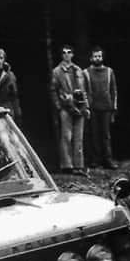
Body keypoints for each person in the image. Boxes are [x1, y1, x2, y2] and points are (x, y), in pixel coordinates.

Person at [50, 45, 90, 176]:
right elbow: (53, 90)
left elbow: (84, 90)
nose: (66, 54)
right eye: (64, 53)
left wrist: (86, 107)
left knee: (78, 137)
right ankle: (67, 166)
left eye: (69, 52)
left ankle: (79, 165)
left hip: (80, 105)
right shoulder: (57, 71)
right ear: (61, 55)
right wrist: (58, 106)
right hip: (65, 106)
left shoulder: (78, 70)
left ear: (72, 54)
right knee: (66, 136)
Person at [84, 47, 119, 169]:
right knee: (94, 135)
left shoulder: (109, 71)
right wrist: (86, 107)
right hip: (92, 107)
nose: (97, 58)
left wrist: (114, 108)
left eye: (99, 56)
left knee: (106, 135)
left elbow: (114, 90)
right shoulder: (86, 72)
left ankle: (108, 160)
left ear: (102, 57)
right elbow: (84, 91)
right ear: (91, 58)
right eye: (95, 56)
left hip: (106, 107)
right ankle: (95, 160)